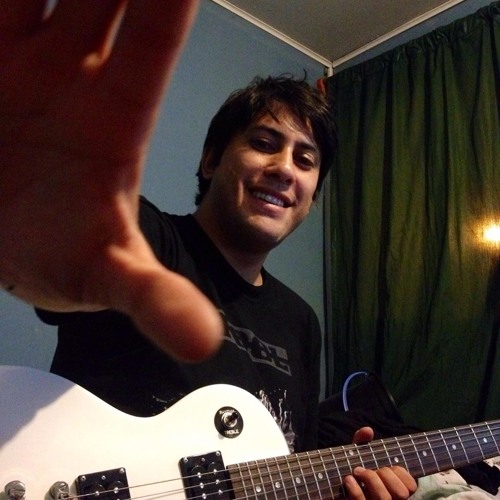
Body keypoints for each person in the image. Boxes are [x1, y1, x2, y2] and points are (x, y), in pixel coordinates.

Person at [1, 2, 417, 498]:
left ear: (311, 199)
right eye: (265, 143)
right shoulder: (148, 241)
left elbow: (289, 467)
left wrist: (338, 489)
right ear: (211, 160)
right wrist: (41, 211)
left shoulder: (302, 323)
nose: (285, 168)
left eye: (306, 160)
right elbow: (64, 242)